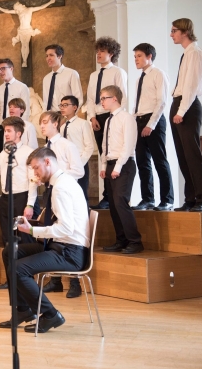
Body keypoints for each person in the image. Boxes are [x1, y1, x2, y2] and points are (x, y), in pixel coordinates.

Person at [0, 147, 90, 334]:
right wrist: (33, 223)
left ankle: (50, 314)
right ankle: (24, 310)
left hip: (70, 252)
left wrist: (32, 229)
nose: (35, 173)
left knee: (18, 268)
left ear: (47, 162)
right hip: (61, 245)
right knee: (10, 252)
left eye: (36, 168)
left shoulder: (62, 187)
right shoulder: (61, 183)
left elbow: (66, 228)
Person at [38, 111, 85, 298]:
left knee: (67, 234)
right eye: (40, 123)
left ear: (55, 123)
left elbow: (79, 171)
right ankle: (55, 280)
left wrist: (58, 178)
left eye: (44, 122)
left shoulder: (66, 145)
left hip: (64, 191)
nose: (41, 126)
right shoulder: (45, 147)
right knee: (52, 234)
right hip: (50, 192)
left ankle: (75, 282)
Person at [170, 18, 202, 212]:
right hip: (178, 103)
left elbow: (191, 86)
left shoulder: (195, 53)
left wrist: (181, 111)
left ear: (185, 31)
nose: (172, 34)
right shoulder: (186, 53)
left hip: (188, 105)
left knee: (193, 154)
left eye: (174, 30)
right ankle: (191, 198)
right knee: (183, 155)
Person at [98, 86, 143, 254]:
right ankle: (121, 240)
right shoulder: (109, 120)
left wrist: (117, 167)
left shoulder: (126, 118)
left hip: (124, 165)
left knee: (120, 202)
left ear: (114, 98)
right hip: (110, 164)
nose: (101, 101)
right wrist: (104, 166)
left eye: (104, 98)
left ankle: (135, 241)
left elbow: (128, 145)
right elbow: (104, 145)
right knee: (113, 206)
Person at [130, 43, 174, 212]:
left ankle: (167, 200)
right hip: (139, 120)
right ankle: (148, 199)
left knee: (160, 160)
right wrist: (134, 122)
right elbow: (137, 104)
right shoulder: (139, 79)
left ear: (149, 56)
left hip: (153, 121)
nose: (136, 59)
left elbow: (162, 102)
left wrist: (150, 124)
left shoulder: (158, 74)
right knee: (142, 162)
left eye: (139, 56)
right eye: (135, 57)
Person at [86, 37, 128, 210]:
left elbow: (122, 97)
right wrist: (92, 117)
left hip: (112, 116)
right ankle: (107, 196)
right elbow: (90, 98)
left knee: (112, 156)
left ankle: (112, 196)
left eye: (102, 51)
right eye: (97, 51)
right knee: (103, 156)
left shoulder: (118, 72)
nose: (99, 54)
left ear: (111, 54)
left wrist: (114, 117)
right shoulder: (94, 75)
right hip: (98, 118)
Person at [0, 116, 38, 247]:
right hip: (5, 198)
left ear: (18, 133)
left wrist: (29, 204)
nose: (5, 134)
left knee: (24, 236)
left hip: (22, 197)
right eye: (5, 131)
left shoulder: (28, 152)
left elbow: (33, 181)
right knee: (8, 236)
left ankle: (25, 265)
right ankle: (11, 264)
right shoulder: (4, 152)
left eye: (9, 131)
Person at [0, 0, 56, 67]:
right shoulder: (19, 12)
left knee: (25, 45)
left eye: (17, 7)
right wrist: (0, 8)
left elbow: (41, 7)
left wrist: (50, 2)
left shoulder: (29, 9)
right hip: (21, 30)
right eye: (17, 8)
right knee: (23, 46)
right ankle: (24, 61)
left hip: (27, 30)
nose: (18, 8)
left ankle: (25, 61)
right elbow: (8, 11)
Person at [59, 95, 95, 200]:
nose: (62, 108)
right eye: (61, 105)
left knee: (81, 195)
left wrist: (79, 163)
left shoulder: (83, 124)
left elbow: (89, 146)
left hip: (80, 163)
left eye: (65, 105)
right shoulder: (61, 126)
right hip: (65, 165)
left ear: (75, 107)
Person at [0, 58, 30, 150]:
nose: (0, 72)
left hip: (16, 126)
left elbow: (25, 110)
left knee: (16, 153)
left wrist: (22, 128)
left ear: (11, 68)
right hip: (3, 127)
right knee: (3, 154)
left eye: (3, 69)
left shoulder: (21, 87)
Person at [42, 45, 83, 112]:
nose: (48, 58)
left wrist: (70, 116)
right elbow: (45, 102)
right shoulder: (46, 79)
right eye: (47, 56)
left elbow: (78, 98)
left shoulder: (71, 73)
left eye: (51, 55)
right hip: (52, 117)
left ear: (60, 56)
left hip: (67, 115)